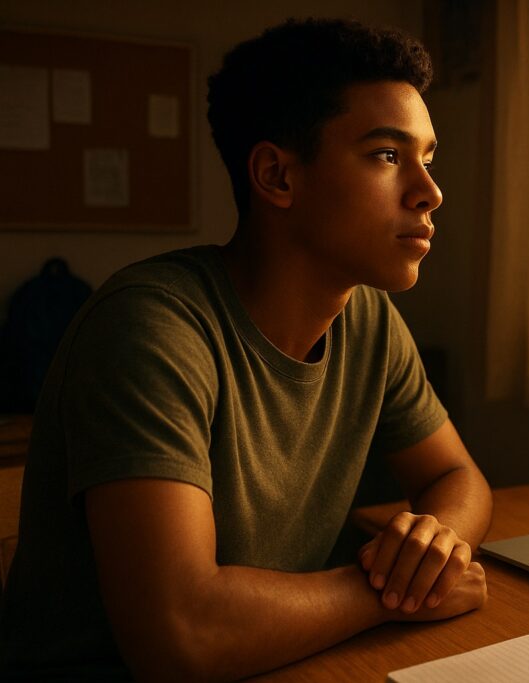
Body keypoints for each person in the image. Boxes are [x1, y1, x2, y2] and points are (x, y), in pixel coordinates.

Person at [0, 17, 491, 681]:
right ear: (276, 176)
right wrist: (391, 593)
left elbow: (458, 478)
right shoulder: (150, 330)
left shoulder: (370, 319)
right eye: (387, 155)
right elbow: (182, 634)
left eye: (427, 159)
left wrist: (436, 543)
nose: (430, 191)